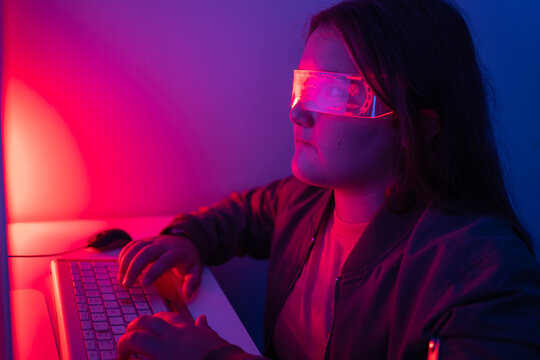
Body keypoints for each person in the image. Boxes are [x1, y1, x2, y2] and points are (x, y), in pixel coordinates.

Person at [116, 0, 540, 358]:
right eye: (304, 85)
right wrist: (188, 238)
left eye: (336, 92)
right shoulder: (306, 201)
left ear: (420, 126)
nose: (297, 112)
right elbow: (241, 215)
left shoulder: (485, 274)